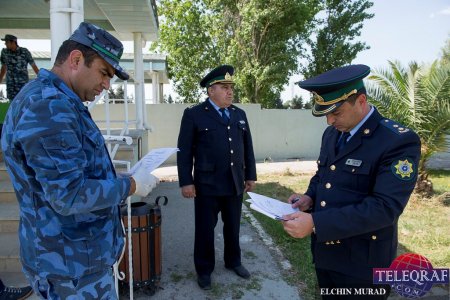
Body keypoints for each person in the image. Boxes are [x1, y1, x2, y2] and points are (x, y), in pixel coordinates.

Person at [0, 22, 158, 299]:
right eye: (104, 73)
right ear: (76, 59)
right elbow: (69, 195)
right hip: (70, 269)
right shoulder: (49, 106)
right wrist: (130, 186)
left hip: (72, 260)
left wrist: (119, 179)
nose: (107, 86)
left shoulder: (56, 99)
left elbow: (71, 176)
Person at [282, 64, 421, 299]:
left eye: (336, 113)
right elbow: (323, 176)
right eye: (326, 113)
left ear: (361, 101)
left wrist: (316, 222)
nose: (329, 121)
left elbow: (384, 208)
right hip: (326, 254)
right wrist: (309, 197)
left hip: (363, 263)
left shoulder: (396, 141)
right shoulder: (333, 134)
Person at [177, 65, 257, 290]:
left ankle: (234, 261)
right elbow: (184, 150)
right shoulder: (194, 114)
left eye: (231, 87)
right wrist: (186, 181)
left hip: (234, 182)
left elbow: (247, 147)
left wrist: (250, 175)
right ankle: (204, 269)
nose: (230, 91)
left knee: (233, 227)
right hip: (207, 185)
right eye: (224, 87)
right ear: (211, 90)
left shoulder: (239, 114)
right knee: (205, 229)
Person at [0, 34, 39, 101]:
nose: (5, 44)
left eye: (7, 42)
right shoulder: (4, 52)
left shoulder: (24, 51)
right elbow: (3, 68)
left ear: (13, 42)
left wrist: (41, 77)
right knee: (12, 104)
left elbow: (33, 65)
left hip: (22, 84)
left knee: (23, 103)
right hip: (11, 85)